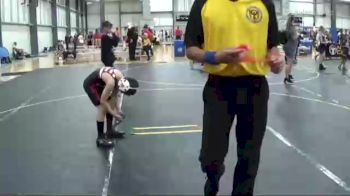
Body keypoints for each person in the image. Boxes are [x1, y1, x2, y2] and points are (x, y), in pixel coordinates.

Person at [185, 0, 283, 195]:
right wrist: (216, 57)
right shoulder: (204, 3)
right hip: (219, 88)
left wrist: (277, 59)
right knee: (210, 156)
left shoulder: (265, 4)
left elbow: (272, 45)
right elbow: (190, 49)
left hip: (255, 88)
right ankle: (213, 174)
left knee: (249, 155)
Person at [83, 66, 139, 148]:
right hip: (91, 84)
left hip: (101, 83)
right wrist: (114, 114)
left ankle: (109, 131)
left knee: (111, 102)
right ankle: (100, 138)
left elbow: (114, 95)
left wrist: (118, 109)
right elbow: (103, 101)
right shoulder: (111, 82)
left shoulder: (120, 77)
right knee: (102, 108)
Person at [282, 15, 299, 84]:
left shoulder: (288, 27)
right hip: (290, 47)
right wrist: (298, 35)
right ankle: (286, 77)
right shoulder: (291, 28)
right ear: (292, 20)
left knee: (290, 62)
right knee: (289, 62)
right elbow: (294, 37)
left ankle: (289, 74)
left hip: (289, 46)